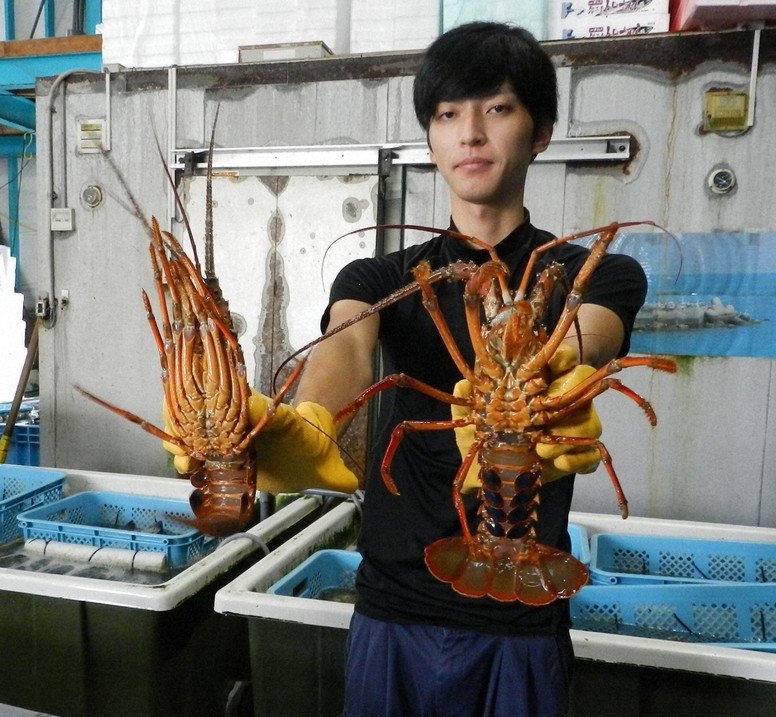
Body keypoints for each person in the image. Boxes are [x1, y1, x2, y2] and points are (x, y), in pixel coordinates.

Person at [169, 21, 647, 717]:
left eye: (498, 108)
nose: (470, 133)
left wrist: (561, 367)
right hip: (394, 602)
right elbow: (345, 347)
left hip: (523, 608)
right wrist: (309, 421)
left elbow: (590, 335)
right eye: (448, 115)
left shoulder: (588, 271)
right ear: (430, 139)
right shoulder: (384, 275)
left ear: (542, 132)